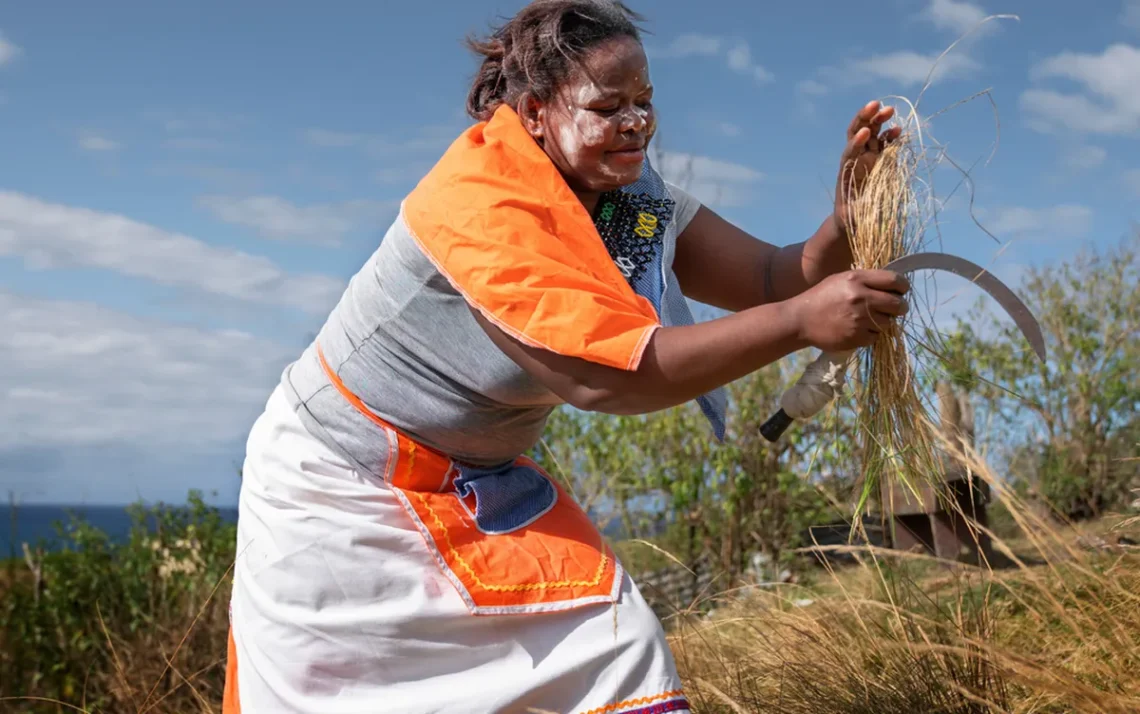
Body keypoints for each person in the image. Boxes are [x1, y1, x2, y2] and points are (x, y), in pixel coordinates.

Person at [221, 1, 909, 712]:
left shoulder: (631, 201)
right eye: (609, 106)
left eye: (644, 101)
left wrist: (842, 224)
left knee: (613, 647)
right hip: (341, 490)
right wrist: (801, 322)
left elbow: (770, 276)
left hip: (468, 481)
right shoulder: (487, 207)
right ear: (538, 111)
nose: (636, 122)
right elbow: (605, 378)